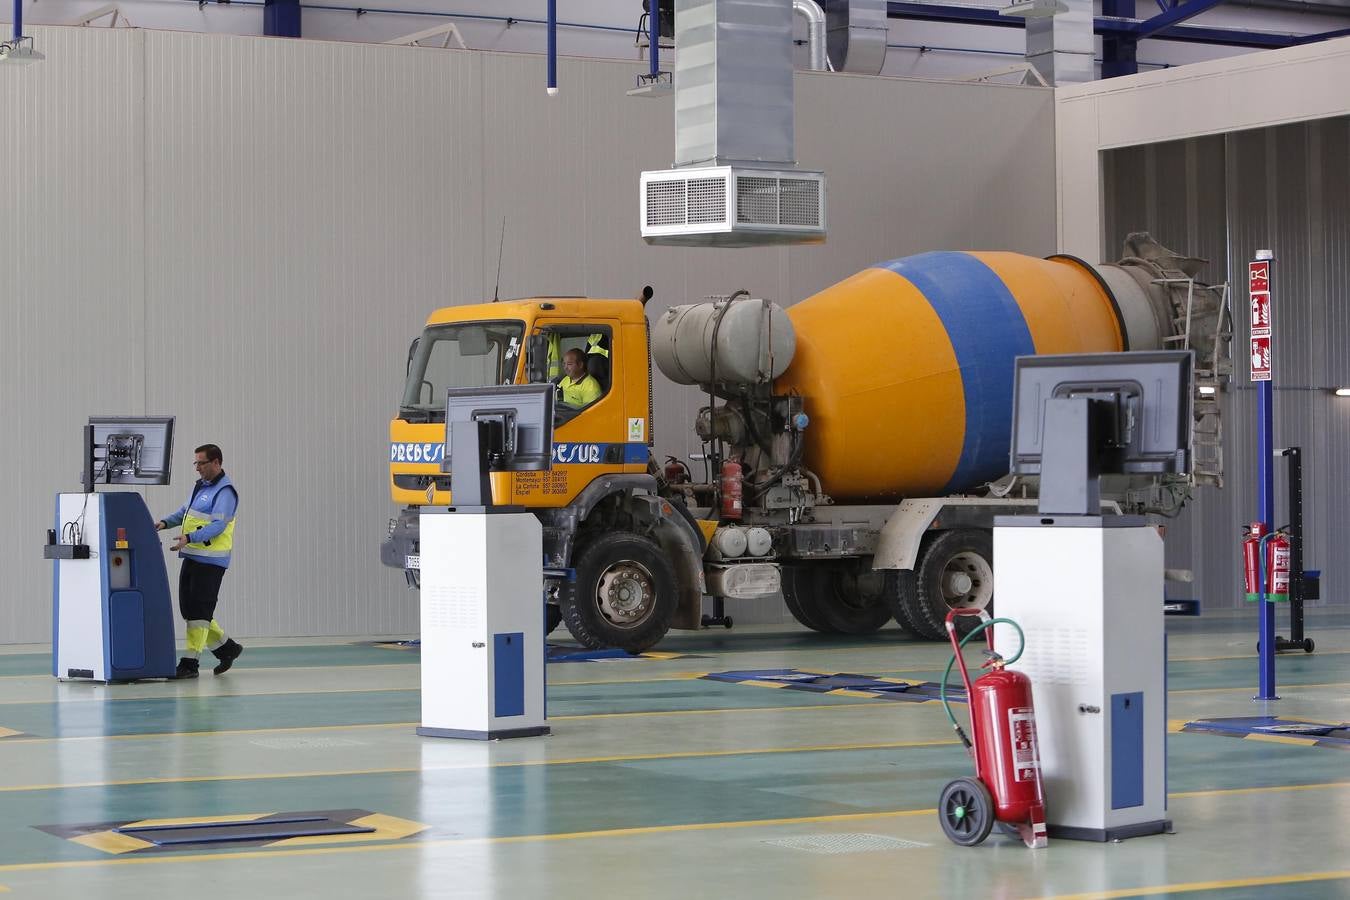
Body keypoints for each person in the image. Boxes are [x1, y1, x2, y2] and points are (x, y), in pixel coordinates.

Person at [156, 443, 244, 679]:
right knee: (190, 610)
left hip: (211, 561)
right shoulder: (201, 487)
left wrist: (190, 537)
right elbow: (184, 513)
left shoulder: (225, 492)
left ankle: (189, 663)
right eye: (195, 463)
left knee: (199, 612)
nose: (197, 468)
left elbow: (218, 525)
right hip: (193, 555)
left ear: (216, 463)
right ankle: (227, 648)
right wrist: (163, 523)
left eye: (201, 463)